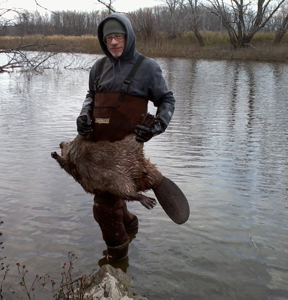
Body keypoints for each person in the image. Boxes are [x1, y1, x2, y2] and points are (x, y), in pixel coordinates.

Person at [76, 13, 175, 262]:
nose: (114, 42)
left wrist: (157, 126)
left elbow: (166, 100)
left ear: (129, 36)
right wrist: (84, 116)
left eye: (119, 36)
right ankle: (130, 225)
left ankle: (118, 258)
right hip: (97, 151)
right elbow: (91, 97)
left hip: (127, 155)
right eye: (108, 37)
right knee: (110, 195)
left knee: (103, 207)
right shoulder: (98, 67)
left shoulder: (148, 67)